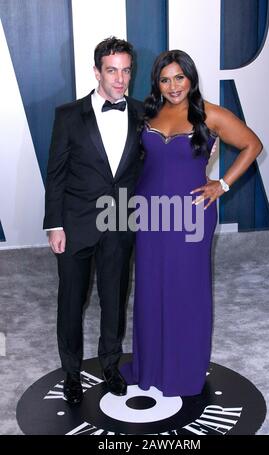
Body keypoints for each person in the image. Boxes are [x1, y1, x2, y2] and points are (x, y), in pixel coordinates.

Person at [121, 50, 263, 397]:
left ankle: (183, 370)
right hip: (150, 213)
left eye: (179, 77)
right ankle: (150, 366)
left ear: (191, 78)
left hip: (192, 214)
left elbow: (252, 144)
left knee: (187, 289)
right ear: (157, 82)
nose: (173, 86)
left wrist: (222, 184)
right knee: (150, 288)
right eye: (165, 79)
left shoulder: (209, 113)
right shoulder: (147, 112)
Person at [43, 37, 143, 403]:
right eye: (112, 70)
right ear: (97, 71)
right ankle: (71, 374)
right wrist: (54, 224)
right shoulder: (69, 114)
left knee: (114, 299)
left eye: (126, 70)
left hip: (120, 220)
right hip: (75, 224)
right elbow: (56, 173)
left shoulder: (142, 113)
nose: (120, 79)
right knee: (71, 301)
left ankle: (111, 365)